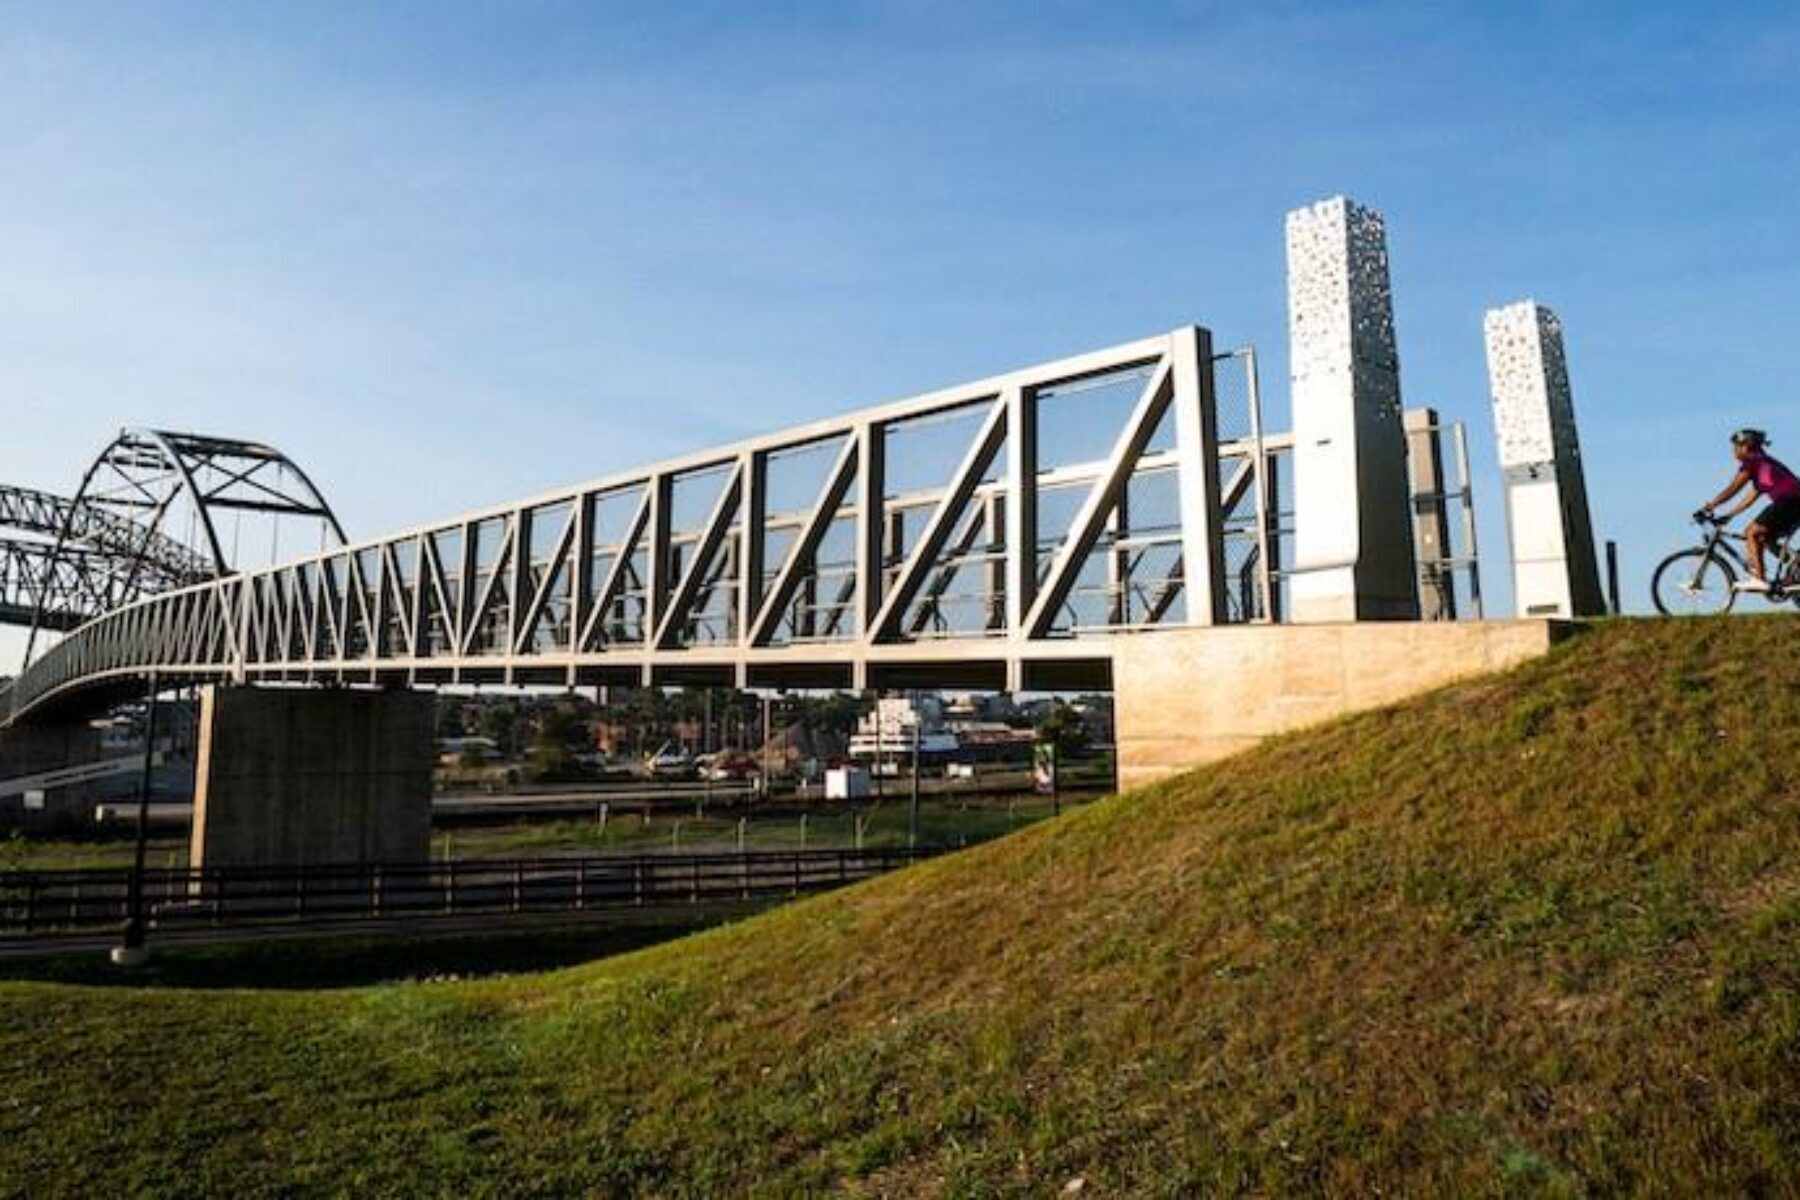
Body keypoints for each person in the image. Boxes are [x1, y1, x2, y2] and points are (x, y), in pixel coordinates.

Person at [1699, 428, 1800, 593]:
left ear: (1746, 446)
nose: (1734, 452)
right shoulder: (1763, 463)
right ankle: (1796, 565)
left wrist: (1710, 506)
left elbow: (1733, 489)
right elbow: (1749, 498)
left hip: (1790, 501)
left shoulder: (1753, 462)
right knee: (1763, 537)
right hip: (1793, 502)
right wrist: (1729, 515)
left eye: (1736, 447)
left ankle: (1759, 579)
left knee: (1751, 532)